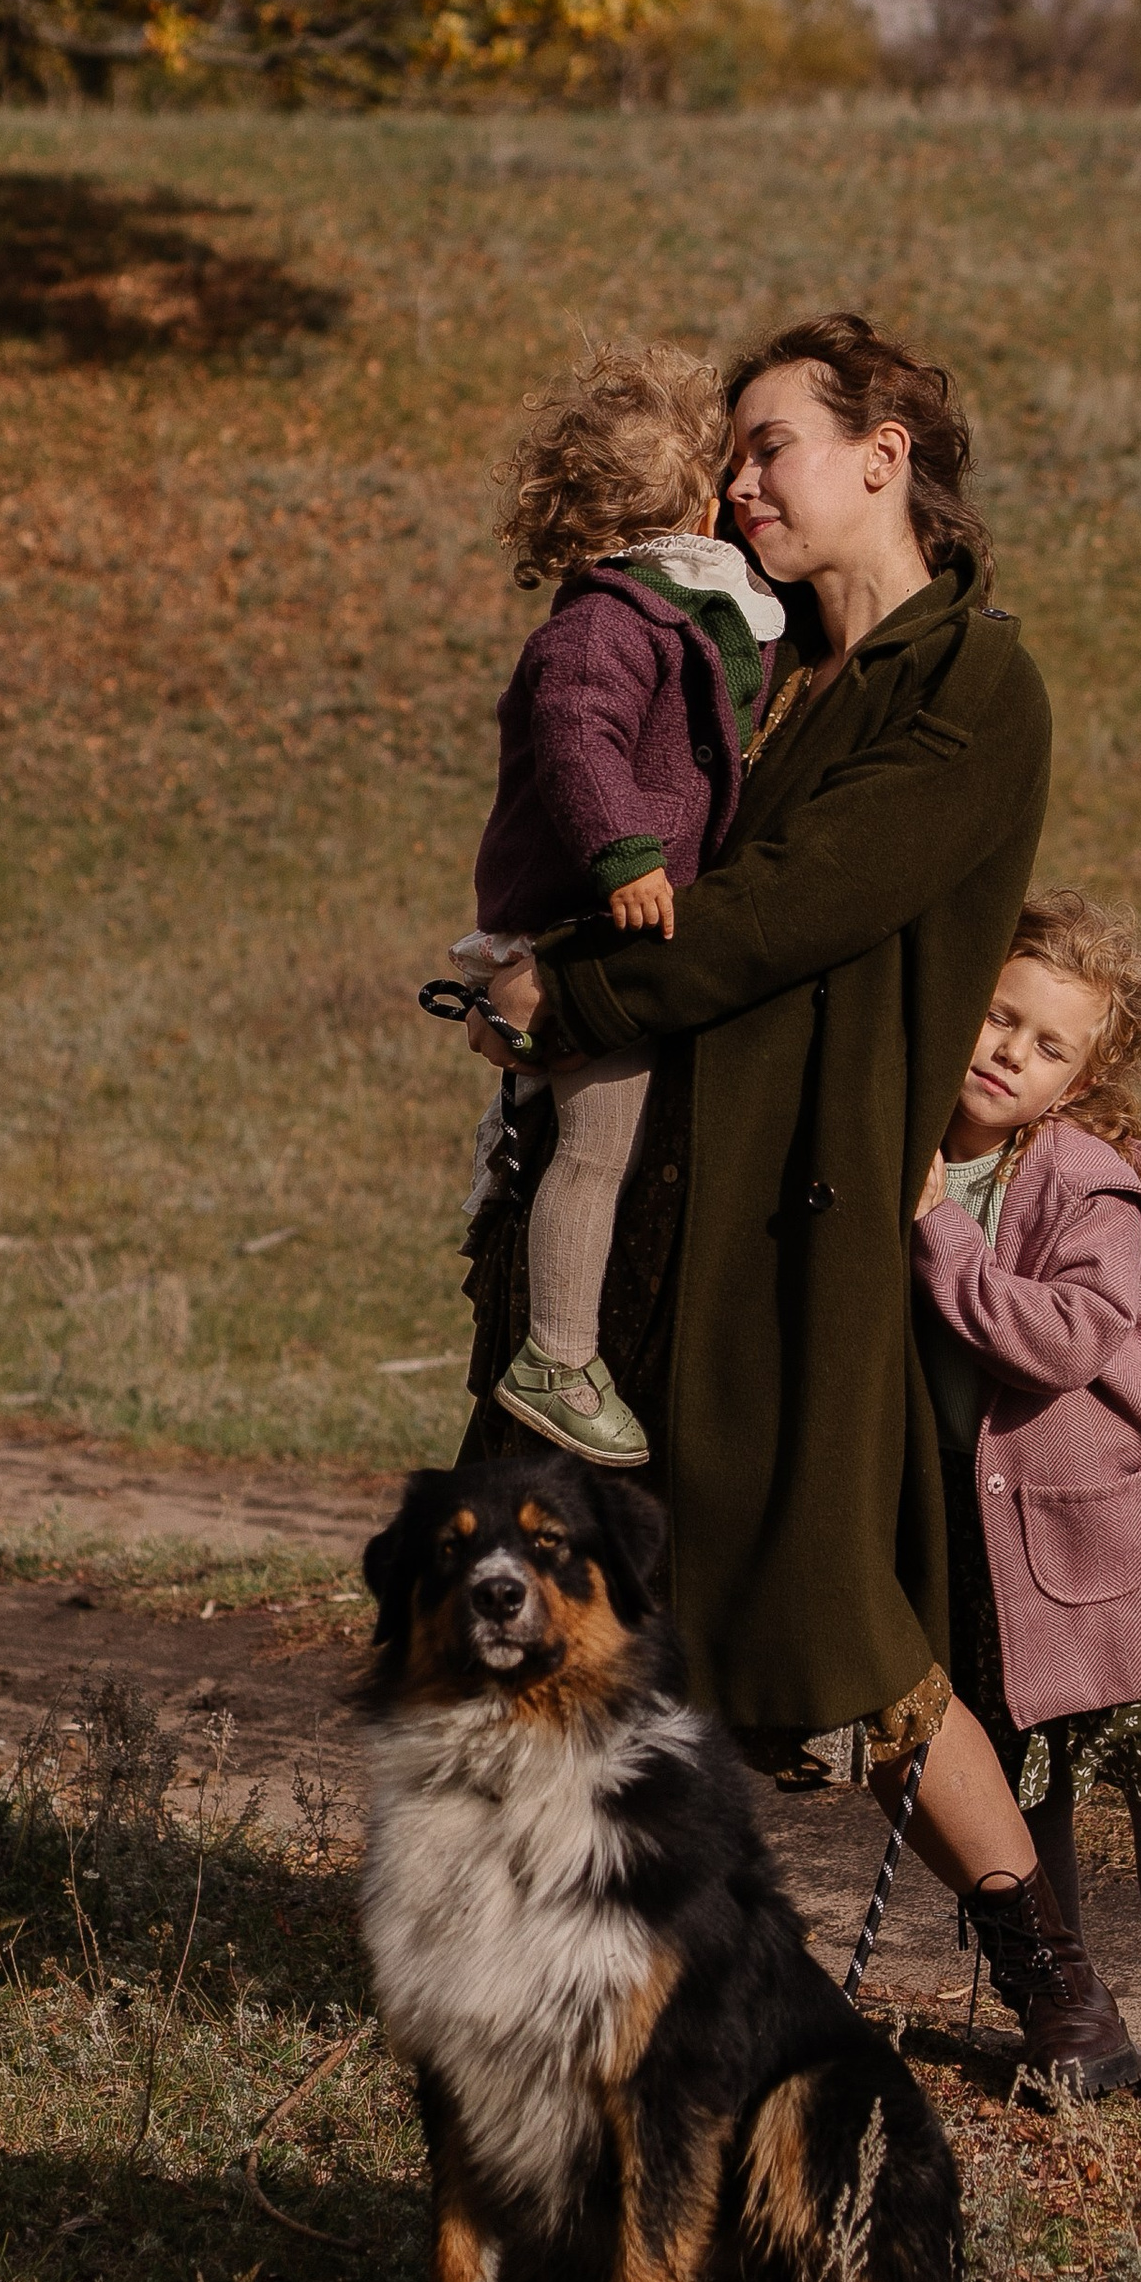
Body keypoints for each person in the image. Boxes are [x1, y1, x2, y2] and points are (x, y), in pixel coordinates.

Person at [461, 315, 1141, 2094]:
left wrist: (564, 1003)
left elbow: (784, 919)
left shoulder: (970, 691)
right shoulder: (750, 667)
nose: (739, 479)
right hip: (645, 1223)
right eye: (731, 455)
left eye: (769, 445)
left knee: (841, 1629)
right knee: (550, 1599)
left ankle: (1053, 1987)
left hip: (801, 1229)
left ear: (885, 452)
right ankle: (569, 1986)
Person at [911, 888, 1141, 2113]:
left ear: (1080, 1079)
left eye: (1047, 1043)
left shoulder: (1077, 1175)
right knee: (1031, 1788)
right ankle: (1073, 2021)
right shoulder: (905, 1142)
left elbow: (1068, 1337)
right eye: (997, 1015)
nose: (1007, 1051)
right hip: (987, 1545)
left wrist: (940, 1241)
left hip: (1118, 1533)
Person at [459, 339, 786, 1468]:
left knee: (606, 1143)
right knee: (594, 1150)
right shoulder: (607, 622)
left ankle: (565, 1343)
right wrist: (626, 853)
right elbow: (576, 739)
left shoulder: (683, 608)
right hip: (588, 924)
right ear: (697, 499)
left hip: (614, 921)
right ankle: (557, 1350)